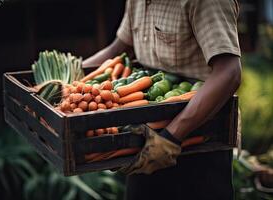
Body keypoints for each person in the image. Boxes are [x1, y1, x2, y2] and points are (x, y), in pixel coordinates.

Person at [83, 0, 242, 199]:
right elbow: (119, 47)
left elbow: (229, 72)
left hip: (198, 140)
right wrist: (74, 78)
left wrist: (169, 138)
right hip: (144, 139)